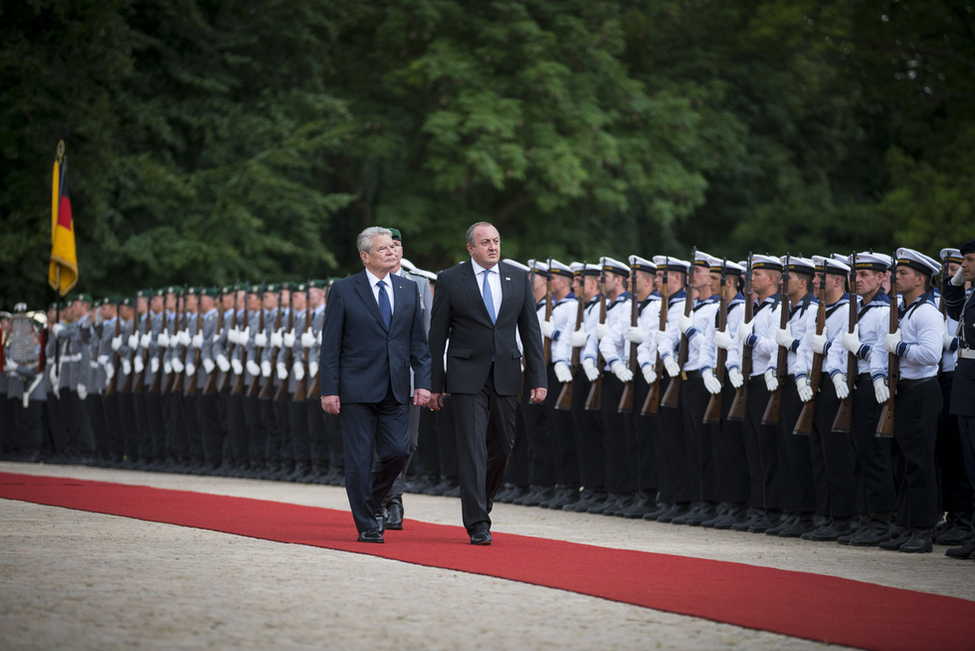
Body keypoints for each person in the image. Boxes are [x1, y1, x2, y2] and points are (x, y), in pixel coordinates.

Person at [428, 221, 547, 545]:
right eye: (485, 242)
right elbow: (437, 337)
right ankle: (478, 521)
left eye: (495, 241)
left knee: (504, 448)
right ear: (471, 248)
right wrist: (435, 385)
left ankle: (482, 496)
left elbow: (531, 332)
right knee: (472, 449)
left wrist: (538, 376)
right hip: (467, 377)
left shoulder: (517, 278)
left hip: (506, 374)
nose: (492, 247)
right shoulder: (451, 279)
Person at [319, 227, 432, 543]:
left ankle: (370, 499)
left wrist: (423, 382)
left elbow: (418, 342)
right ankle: (368, 524)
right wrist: (329, 389)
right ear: (364, 256)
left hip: (396, 387)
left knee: (399, 450)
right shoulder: (344, 289)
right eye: (383, 248)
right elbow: (331, 345)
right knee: (358, 458)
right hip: (356, 389)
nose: (391, 251)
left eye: (393, 247)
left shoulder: (408, 290)